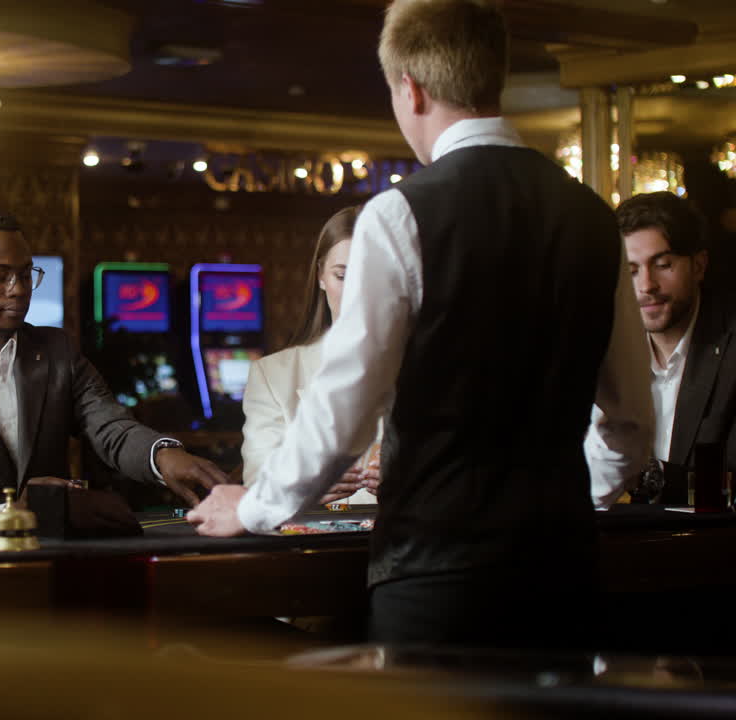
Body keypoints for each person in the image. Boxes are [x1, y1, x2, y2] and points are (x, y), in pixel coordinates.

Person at [189, 0, 653, 648]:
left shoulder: (399, 215)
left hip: (439, 575)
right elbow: (631, 418)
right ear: (494, 75)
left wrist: (257, 506)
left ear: (410, 88)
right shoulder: (594, 218)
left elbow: (344, 413)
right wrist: (576, 499)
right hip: (564, 566)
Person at [0, 205, 231, 536]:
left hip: (59, 560)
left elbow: (112, 428)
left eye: (24, 273)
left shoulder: (56, 351)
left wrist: (163, 456)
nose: (18, 289)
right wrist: (13, 514)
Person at [587, 191, 736, 501]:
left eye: (663, 264)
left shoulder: (731, 348)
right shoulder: (603, 349)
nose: (646, 286)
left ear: (699, 265)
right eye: (631, 271)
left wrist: (649, 477)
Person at [241, 205, 380, 506]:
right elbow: (257, 478)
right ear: (320, 276)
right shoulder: (273, 373)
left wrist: (414, 477)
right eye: (343, 276)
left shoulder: (431, 366)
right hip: (314, 544)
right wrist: (302, 485)